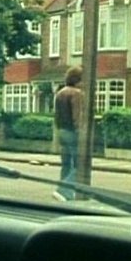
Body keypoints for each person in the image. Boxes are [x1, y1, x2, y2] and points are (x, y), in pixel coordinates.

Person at [52, 66, 83, 201]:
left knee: (66, 164)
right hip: (71, 131)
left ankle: (64, 193)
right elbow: (77, 116)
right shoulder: (76, 93)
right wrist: (80, 132)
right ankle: (63, 190)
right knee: (80, 165)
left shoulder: (60, 93)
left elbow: (56, 115)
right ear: (78, 80)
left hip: (61, 130)